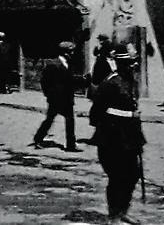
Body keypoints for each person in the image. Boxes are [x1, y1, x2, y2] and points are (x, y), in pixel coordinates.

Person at [90, 43, 146, 225]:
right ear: (121, 64)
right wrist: (128, 115)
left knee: (132, 175)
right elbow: (95, 114)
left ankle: (123, 211)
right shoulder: (110, 83)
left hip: (129, 140)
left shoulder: (129, 81)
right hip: (111, 140)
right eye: (130, 63)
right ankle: (113, 216)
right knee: (117, 178)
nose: (134, 66)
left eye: (134, 62)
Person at [34, 41, 82, 152]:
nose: (73, 53)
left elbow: (69, 80)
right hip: (56, 98)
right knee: (50, 119)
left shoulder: (68, 63)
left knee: (69, 120)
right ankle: (38, 138)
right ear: (64, 52)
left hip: (67, 98)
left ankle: (70, 145)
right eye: (71, 51)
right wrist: (48, 94)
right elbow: (44, 81)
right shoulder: (53, 64)